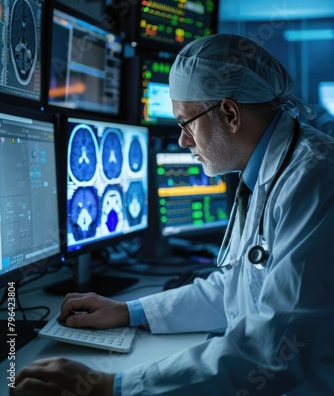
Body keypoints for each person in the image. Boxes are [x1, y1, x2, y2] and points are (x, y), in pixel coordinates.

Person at [12, 34, 334, 395]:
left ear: (229, 114)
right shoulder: (267, 172)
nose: (182, 140)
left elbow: (275, 349)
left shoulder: (315, 179)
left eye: (186, 122)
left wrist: (112, 386)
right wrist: (129, 311)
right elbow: (239, 287)